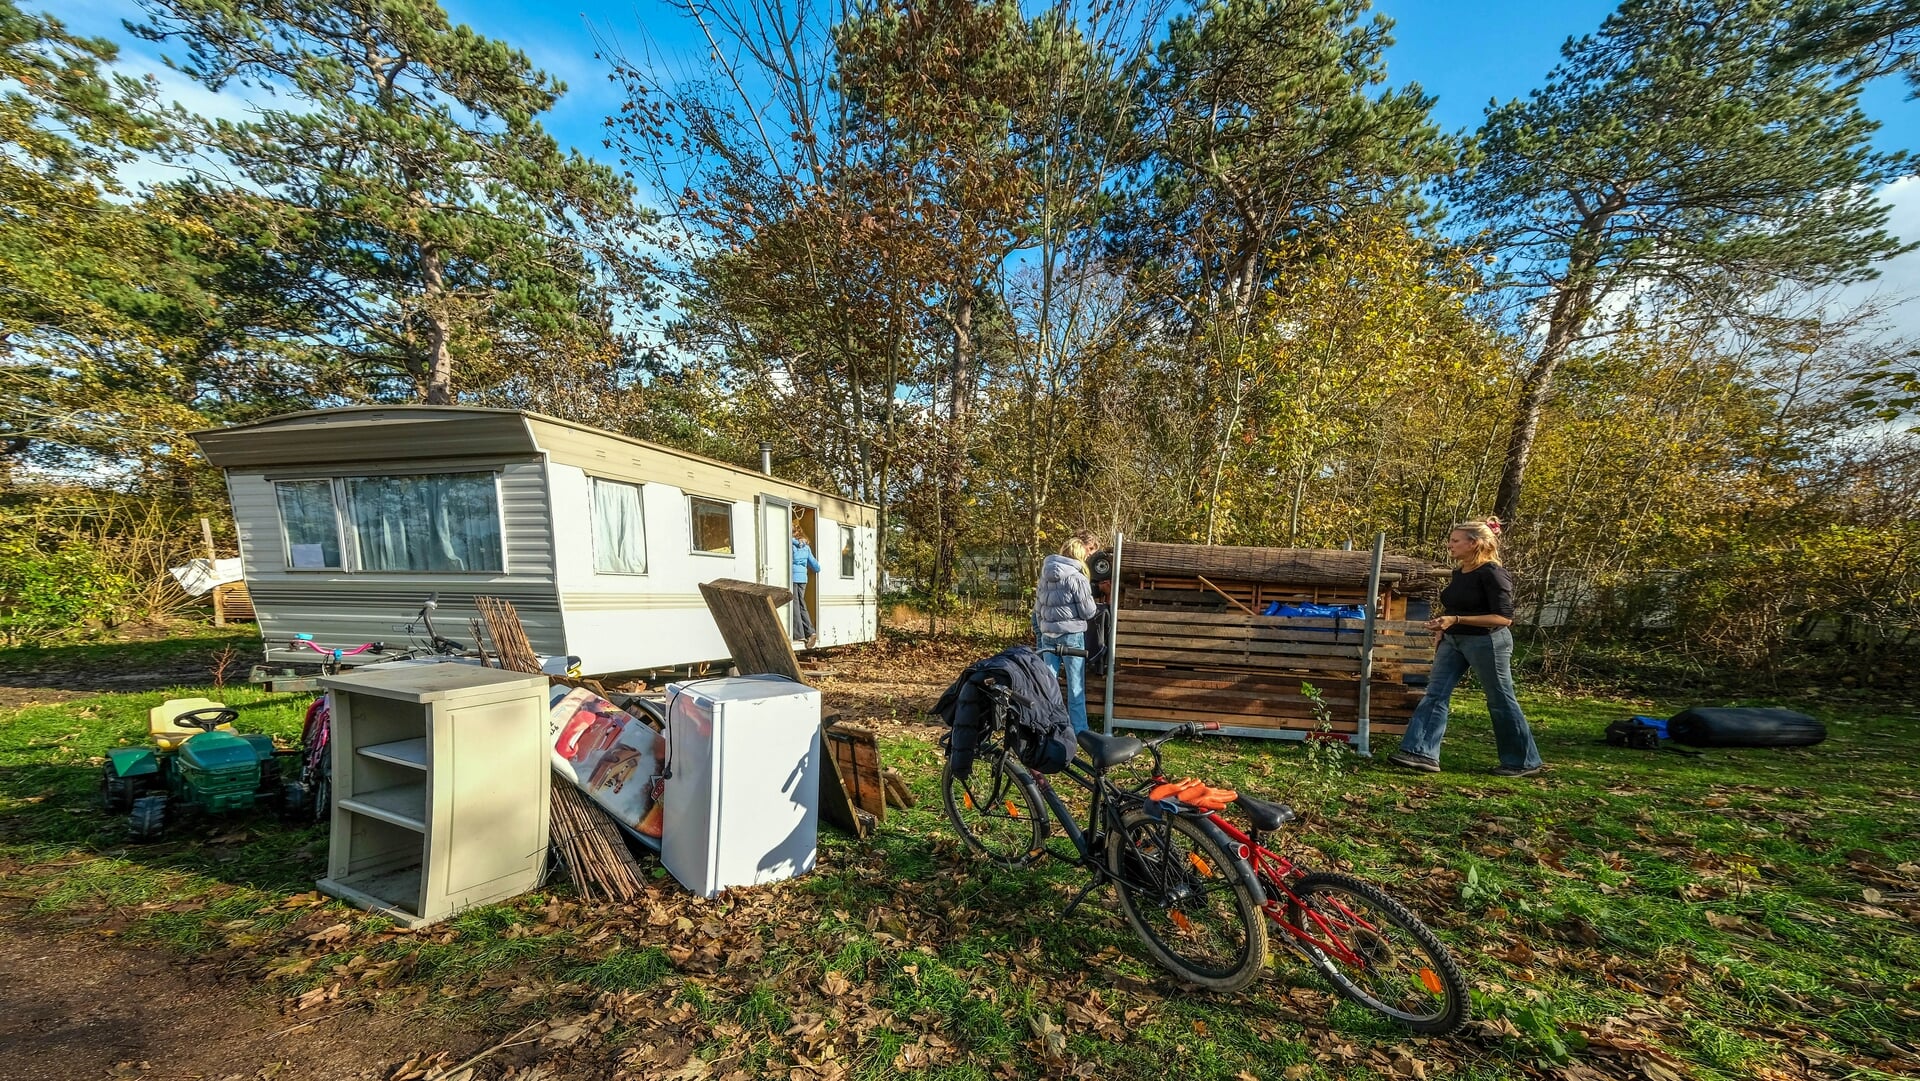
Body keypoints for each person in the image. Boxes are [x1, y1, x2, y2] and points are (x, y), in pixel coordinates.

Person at [1388, 518, 1544, 777]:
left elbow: (1504, 618)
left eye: (1455, 541)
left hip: (1488, 641)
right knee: (1435, 693)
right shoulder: (1460, 572)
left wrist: (1457, 620)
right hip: (1453, 640)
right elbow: (1456, 607)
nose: (1450, 545)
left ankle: (1523, 761)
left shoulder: (1493, 573)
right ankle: (1420, 753)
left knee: (1500, 698)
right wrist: (1444, 626)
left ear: (1474, 543)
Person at [1035, 534, 1099, 734]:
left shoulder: (1044, 575)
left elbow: (1038, 608)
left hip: (1048, 635)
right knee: (1075, 685)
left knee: (1047, 684)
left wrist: (1044, 627)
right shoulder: (1077, 577)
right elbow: (1089, 611)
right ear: (1080, 555)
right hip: (1071, 635)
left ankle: (1045, 726)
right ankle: (1079, 730)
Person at [791, 523, 822, 649]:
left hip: (792, 577)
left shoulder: (790, 544)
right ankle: (811, 632)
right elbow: (815, 565)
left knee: (795, 605)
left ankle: (799, 634)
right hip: (803, 579)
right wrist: (816, 569)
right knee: (802, 605)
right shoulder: (806, 547)